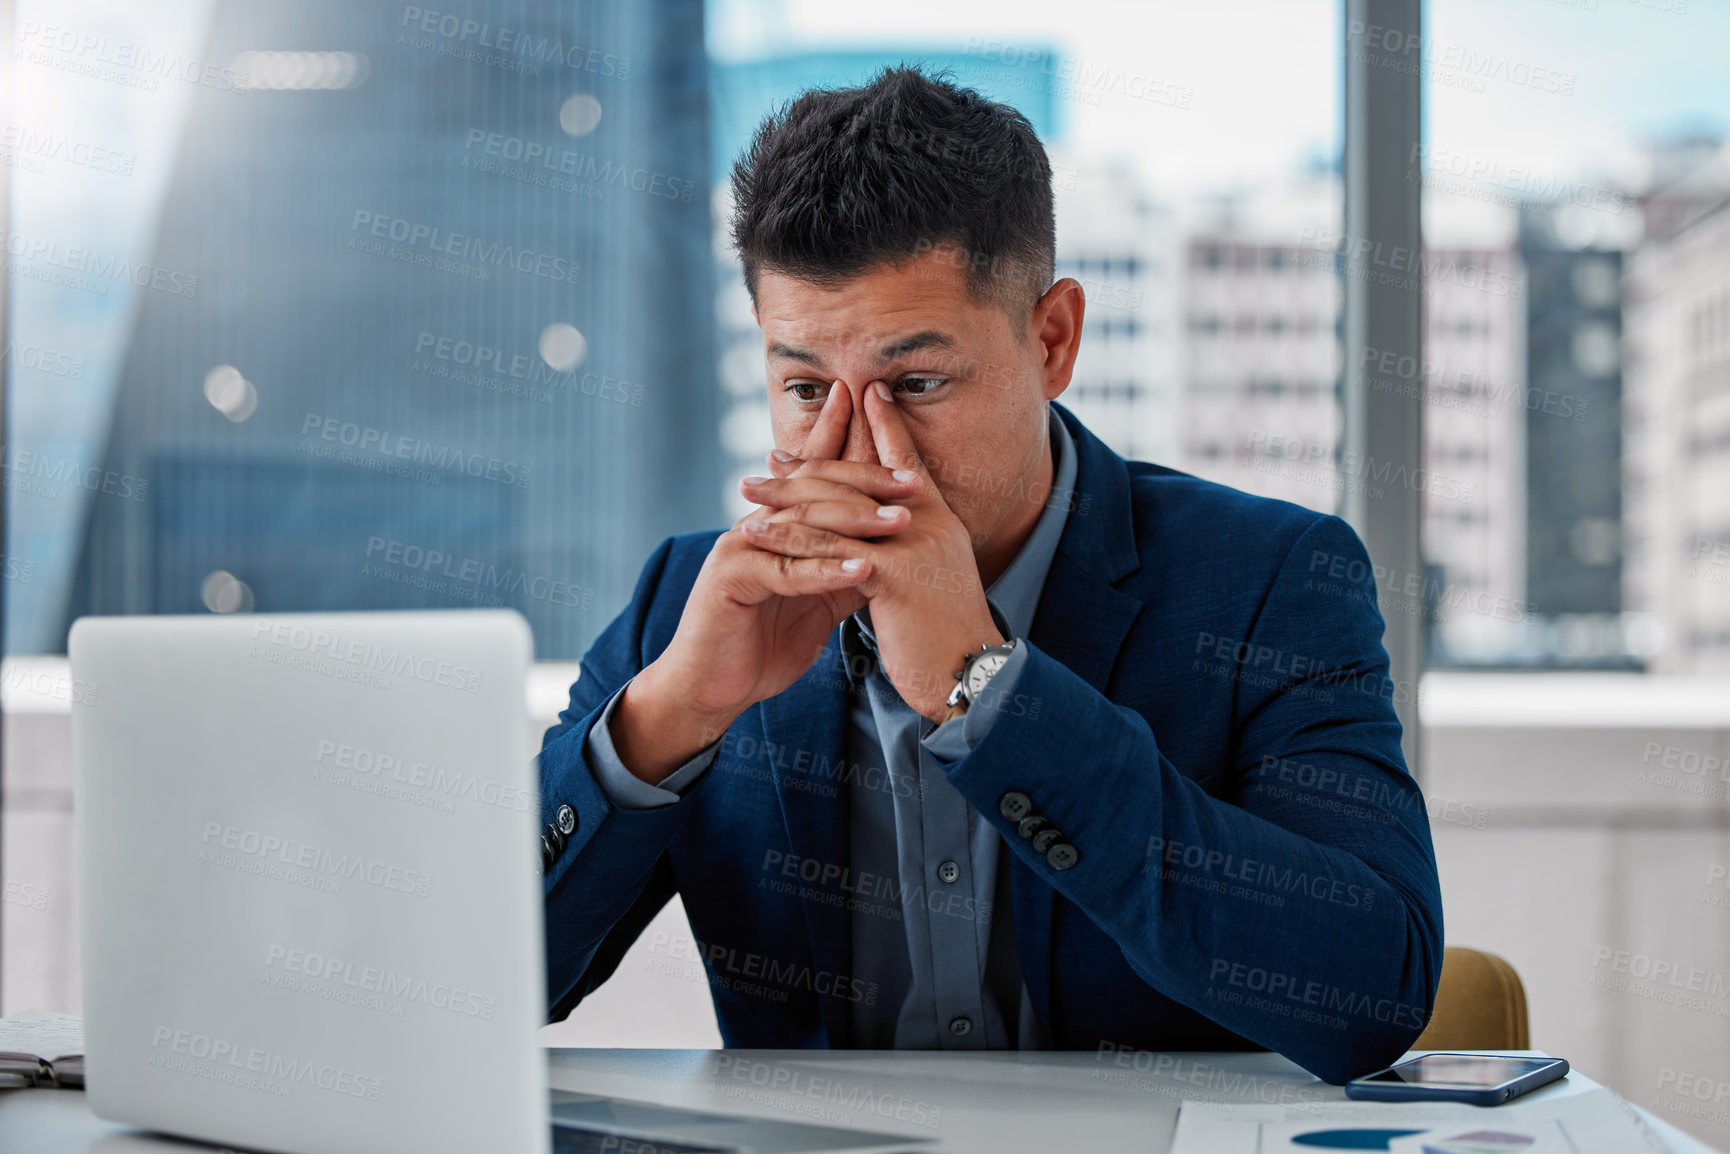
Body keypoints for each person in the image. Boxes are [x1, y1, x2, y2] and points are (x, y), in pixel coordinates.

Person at [537, 66, 1442, 1084]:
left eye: (916, 383)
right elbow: (487, 978)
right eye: (802, 386)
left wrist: (989, 686)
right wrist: (665, 719)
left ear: (1052, 339)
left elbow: (1373, 990)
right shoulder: (688, 602)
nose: (861, 450)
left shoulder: (1271, 580)